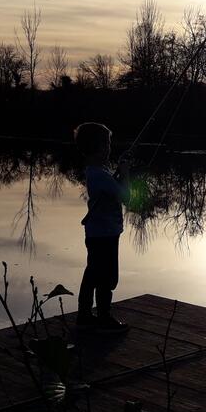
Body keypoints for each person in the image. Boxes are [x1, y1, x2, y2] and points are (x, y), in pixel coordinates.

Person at [74, 121, 131, 332]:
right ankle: (103, 316)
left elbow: (112, 190)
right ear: (96, 148)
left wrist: (117, 173)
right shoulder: (100, 175)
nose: (109, 149)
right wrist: (125, 173)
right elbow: (126, 196)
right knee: (106, 276)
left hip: (99, 233)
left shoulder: (96, 173)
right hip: (105, 235)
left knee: (94, 273)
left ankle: (86, 314)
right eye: (106, 145)